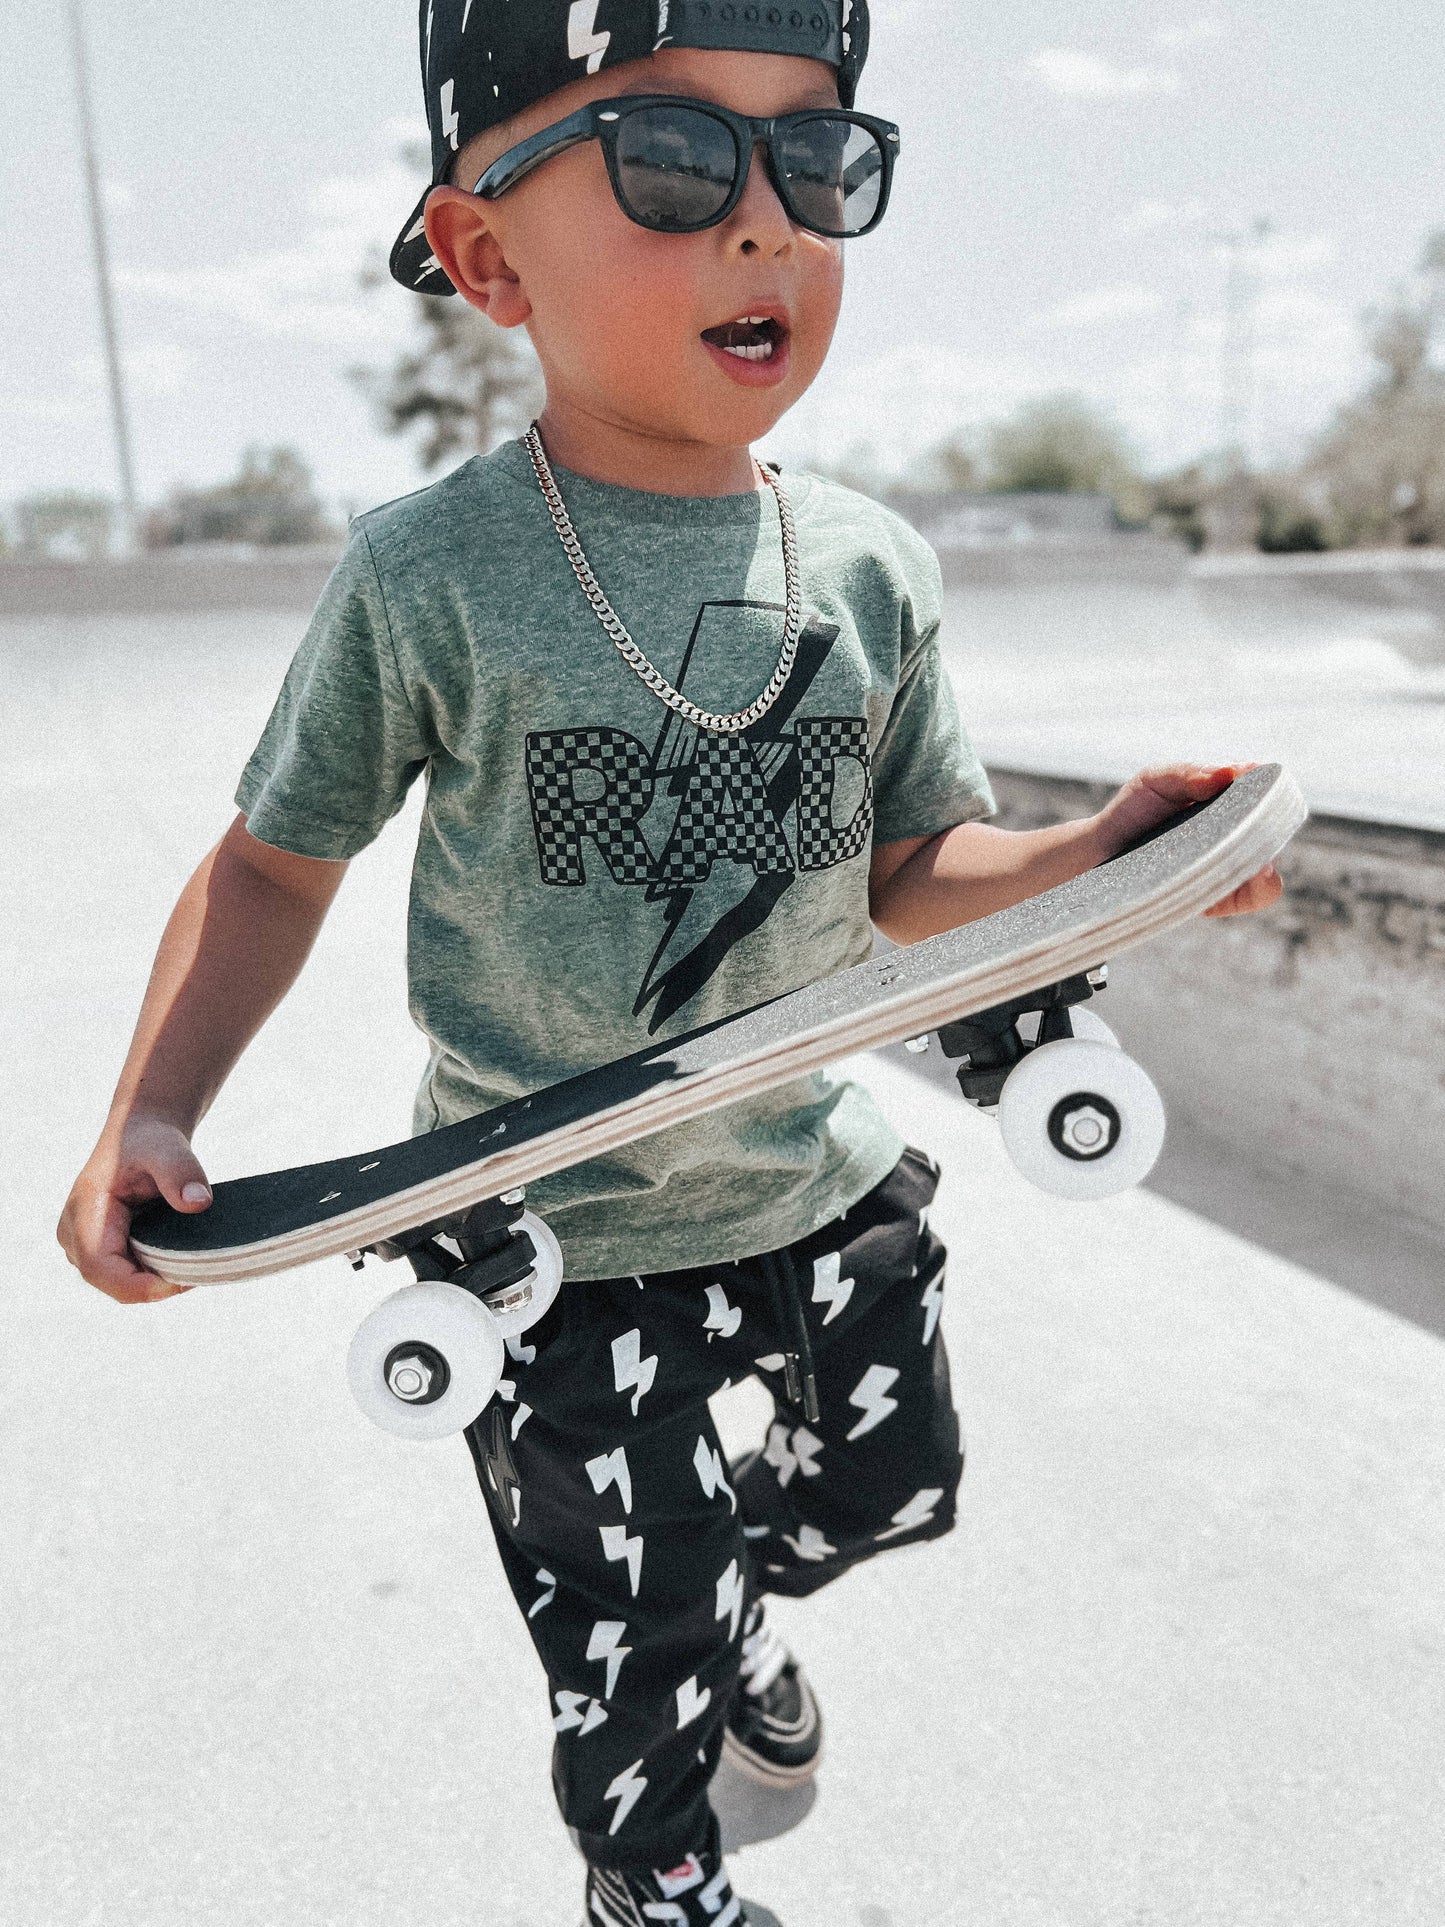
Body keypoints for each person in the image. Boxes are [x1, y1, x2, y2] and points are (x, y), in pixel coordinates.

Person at [57, 5, 1282, 1920]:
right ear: (485, 260)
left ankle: (733, 1628)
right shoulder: (430, 575)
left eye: (820, 162)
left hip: (802, 1173)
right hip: (548, 1236)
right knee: (623, 1645)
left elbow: (905, 872)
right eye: (672, 162)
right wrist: (153, 1104)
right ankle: (657, 1875)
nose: (764, 225)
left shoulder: (872, 564)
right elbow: (275, 867)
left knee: (894, 1491)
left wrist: (1084, 864)